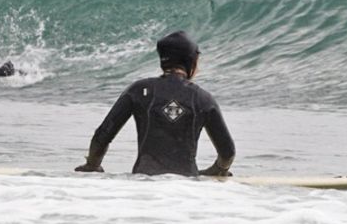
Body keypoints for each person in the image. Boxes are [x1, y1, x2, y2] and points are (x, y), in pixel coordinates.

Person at [75, 30, 235, 177]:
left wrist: (92, 165)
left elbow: (102, 135)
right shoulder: (203, 98)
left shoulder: (138, 90)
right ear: (190, 61)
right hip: (187, 189)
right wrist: (219, 169)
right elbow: (227, 153)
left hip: (145, 186)